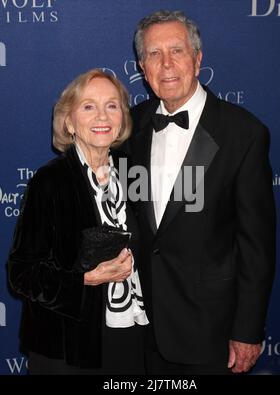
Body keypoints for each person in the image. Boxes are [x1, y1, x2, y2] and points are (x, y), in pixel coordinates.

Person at [129, 10, 276, 375]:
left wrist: (247, 330)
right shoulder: (129, 126)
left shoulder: (243, 133)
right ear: (141, 66)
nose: (166, 64)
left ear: (197, 59)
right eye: (153, 54)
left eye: (177, 51)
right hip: (138, 331)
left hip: (210, 334)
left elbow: (257, 246)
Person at [7, 69, 148, 375]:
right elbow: (22, 273)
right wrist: (86, 279)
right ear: (69, 122)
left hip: (127, 335)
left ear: (122, 118)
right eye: (88, 106)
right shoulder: (50, 182)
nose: (102, 116)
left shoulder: (133, 174)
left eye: (112, 105)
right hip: (68, 347)